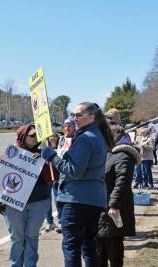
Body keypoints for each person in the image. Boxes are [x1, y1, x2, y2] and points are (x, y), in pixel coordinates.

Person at [41, 102, 114, 267]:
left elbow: (74, 171)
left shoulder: (85, 138)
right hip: (93, 199)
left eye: (79, 115)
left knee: (72, 246)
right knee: (88, 245)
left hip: (77, 200)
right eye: (74, 115)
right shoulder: (96, 135)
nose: (75, 118)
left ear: (92, 117)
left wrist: (53, 156)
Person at [0, 124, 53, 267]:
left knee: (32, 236)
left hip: (38, 203)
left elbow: (52, 179)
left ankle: (30, 265)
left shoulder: (43, 155)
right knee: (17, 238)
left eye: (38, 136)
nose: (36, 138)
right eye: (32, 135)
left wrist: (45, 161)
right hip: (13, 205)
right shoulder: (11, 154)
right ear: (23, 136)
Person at [96, 125, 141, 267]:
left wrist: (114, 204)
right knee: (100, 250)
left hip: (113, 210)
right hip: (102, 207)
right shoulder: (110, 153)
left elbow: (122, 182)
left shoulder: (123, 156)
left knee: (113, 250)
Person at [53, 117, 76, 233]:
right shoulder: (61, 139)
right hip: (59, 172)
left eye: (69, 125)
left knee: (67, 200)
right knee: (58, 199)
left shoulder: (77, 139)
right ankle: (61, 221)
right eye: (65, 126)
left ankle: (66, 222)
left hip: (70, 173)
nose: (67, 128)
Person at [45, 132, 60, 232]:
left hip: (58, 178)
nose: (52, 138)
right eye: (50, 136)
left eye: (54, 136)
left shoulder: (61, 147)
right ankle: (50, 222)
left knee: (58, 200)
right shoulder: (45, 149)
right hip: (47, 178)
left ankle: (61, 221)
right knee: (47, 201)